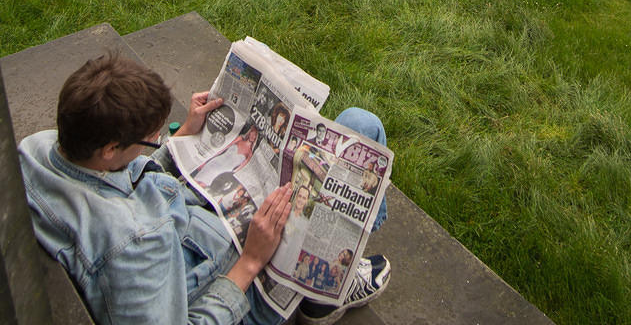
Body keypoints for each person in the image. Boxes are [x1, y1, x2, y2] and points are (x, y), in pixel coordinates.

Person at [18, 54, 391, 325]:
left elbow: (120, 175)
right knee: (365, 128)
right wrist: (250, 262)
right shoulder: (134, 242)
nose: (157, 140)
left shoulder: (40, 149)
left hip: (196, 222)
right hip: (239, 280)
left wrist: (181, 138)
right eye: (150, 140)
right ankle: (318, 297)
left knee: (351, 127)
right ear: (111, 149)